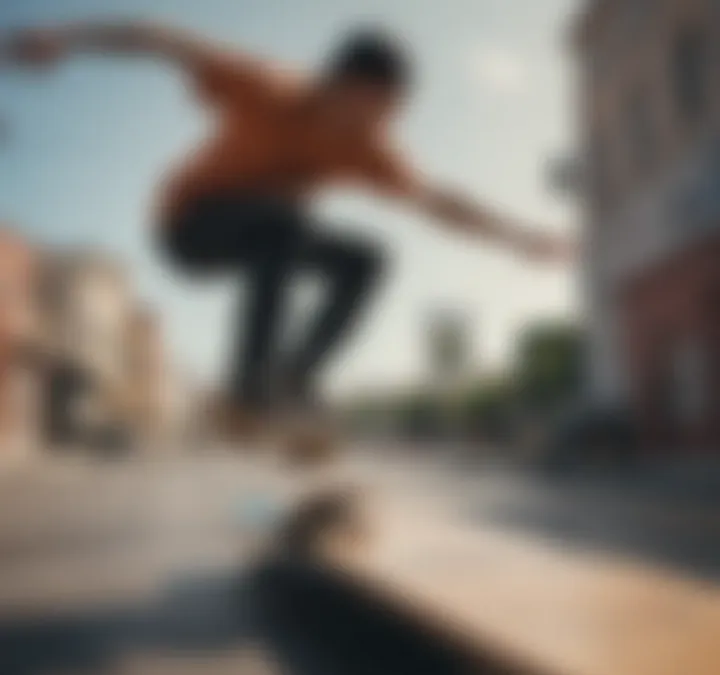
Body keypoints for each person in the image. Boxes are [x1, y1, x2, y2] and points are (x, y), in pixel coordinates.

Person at [2, 21, 571, 439]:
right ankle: (249, 388)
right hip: (189, 227)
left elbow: (439, 201)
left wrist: (520, 239)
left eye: (392, 113)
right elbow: (162, 42)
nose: (385, 124)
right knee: (285, 222)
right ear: (345, 86)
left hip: (265, 237)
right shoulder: (265, 86)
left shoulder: (366, 148)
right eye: (379, 108)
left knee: (368, 258)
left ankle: (295, 381)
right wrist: (68, 40)